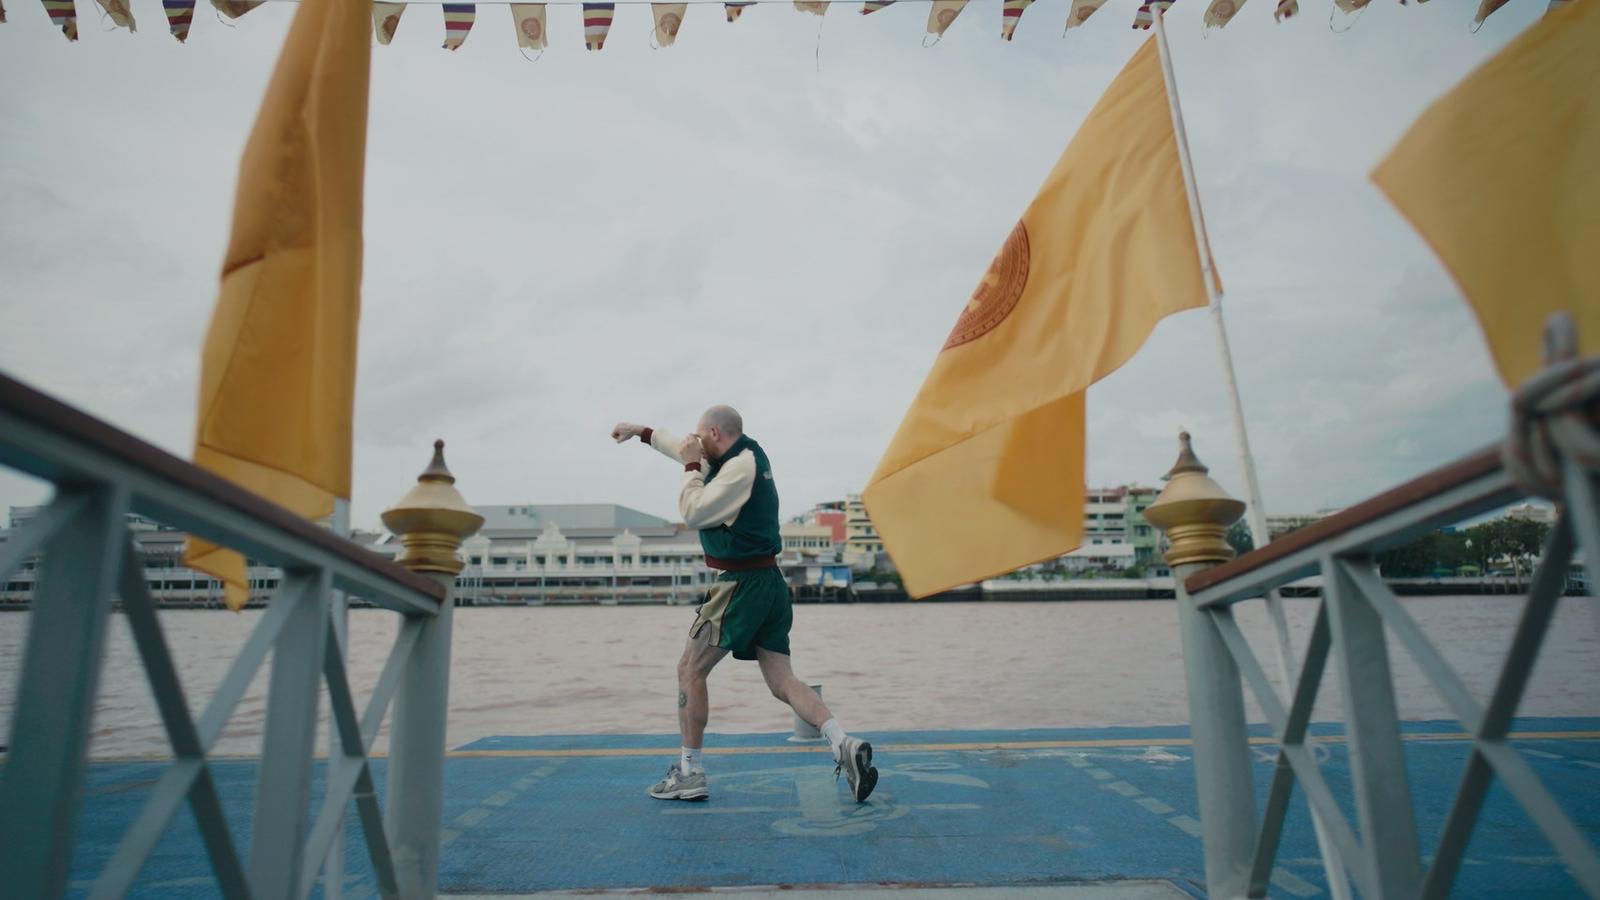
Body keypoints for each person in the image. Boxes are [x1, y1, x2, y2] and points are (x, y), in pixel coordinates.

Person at [612, 405, 877, 803]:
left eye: (702, 440)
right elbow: (682, 446)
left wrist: (689, 468)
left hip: (741, 584)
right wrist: (642, 432)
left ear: (716, 434)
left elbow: (693, 510)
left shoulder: (739, 469)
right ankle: (842, 743)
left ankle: (690, 772)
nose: (696, 447)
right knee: (782, 681)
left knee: (689, 670)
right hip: (770, 583)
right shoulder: (740, 454)